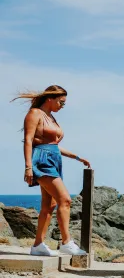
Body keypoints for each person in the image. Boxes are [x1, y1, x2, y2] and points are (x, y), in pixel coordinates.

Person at [13, 86, 91, 257]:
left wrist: (77, 157)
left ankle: (38, 245)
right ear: (50, 98)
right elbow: (28, 140)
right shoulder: (35, 114)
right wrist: (28, 167)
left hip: (55, 160)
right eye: (61, 102)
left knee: (50, 205)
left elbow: (54, 145)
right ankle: (66, 242)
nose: (62, 106)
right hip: (42, 160)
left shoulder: (51, 117)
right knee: (65, 200)